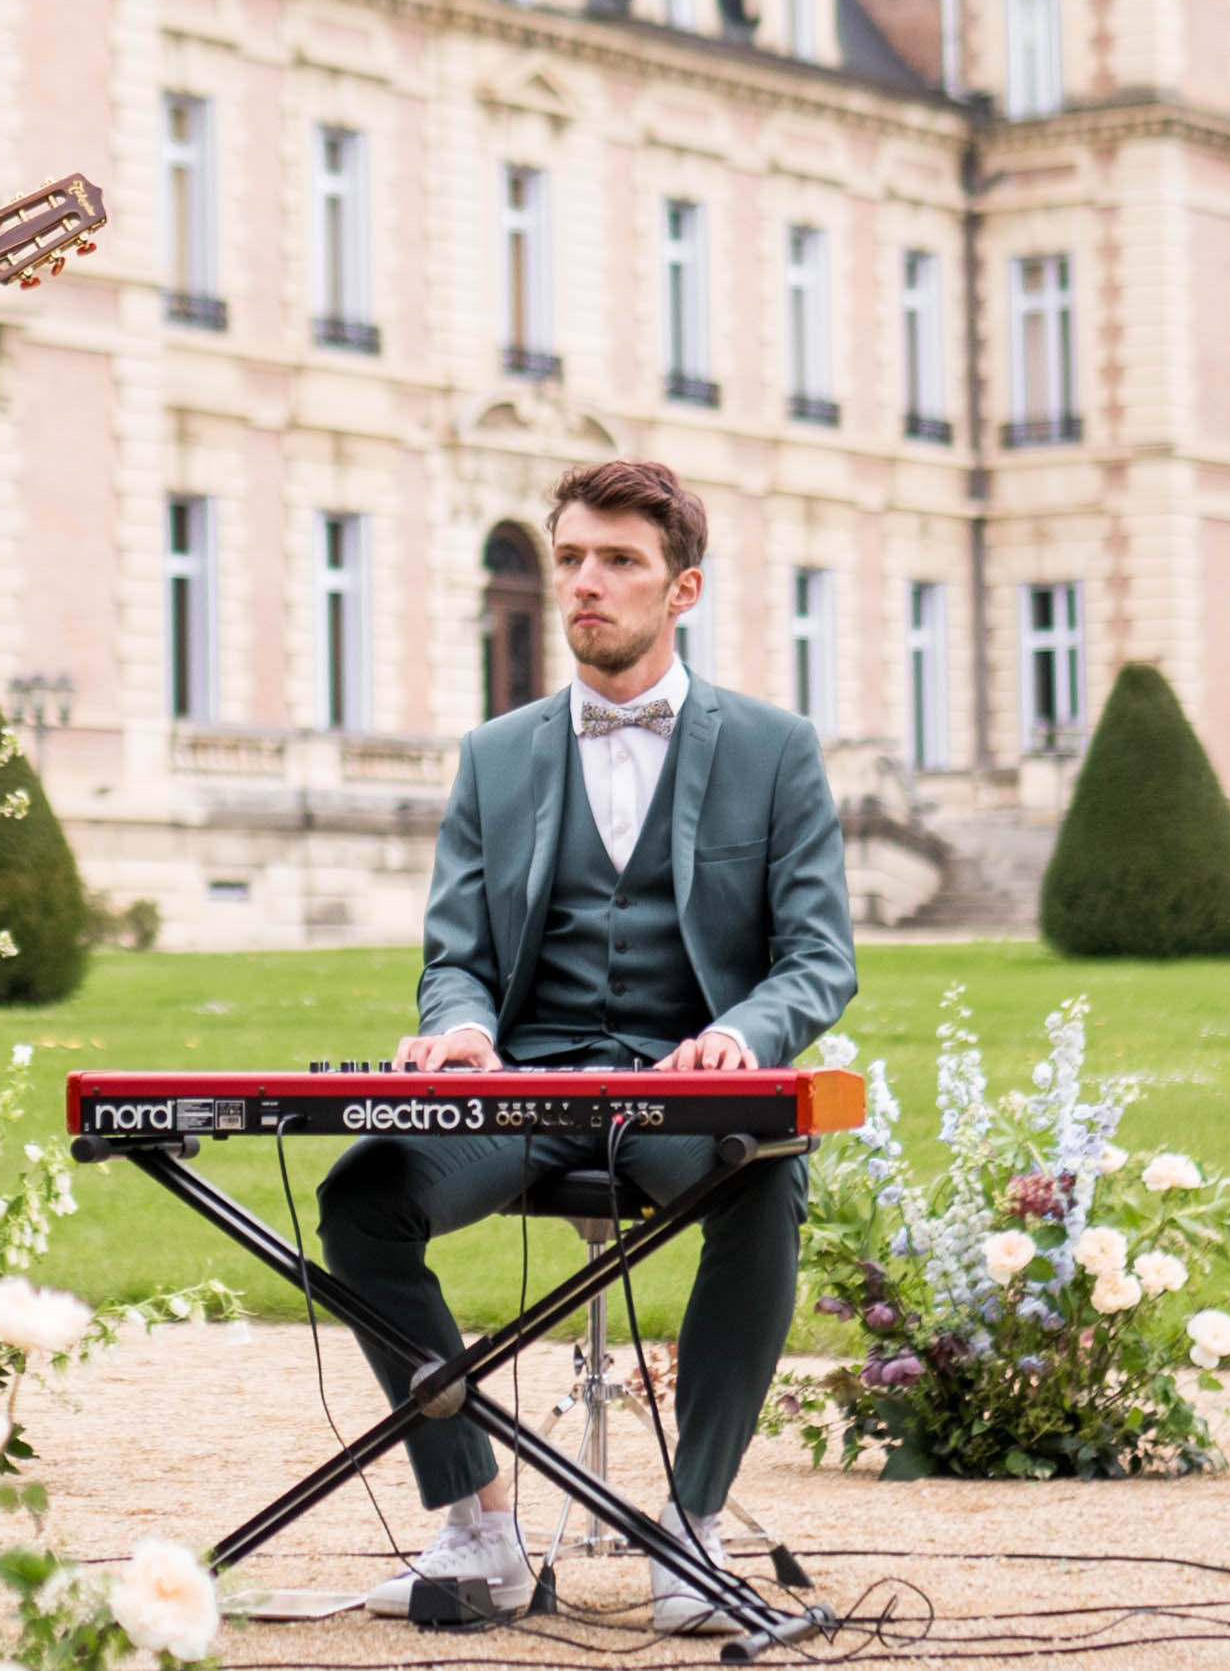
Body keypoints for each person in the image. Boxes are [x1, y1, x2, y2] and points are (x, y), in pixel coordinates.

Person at [320, 457, 855, 1635]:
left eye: (618, 561)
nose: (583, 584)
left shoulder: (773, 749)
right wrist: (457, 1027)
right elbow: (452, 949)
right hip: (525, 1085)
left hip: (678, 1084)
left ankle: (690, 1518)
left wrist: (735, 1036)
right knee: (358, 1200)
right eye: (569, 558)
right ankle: (475, 1514)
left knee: (767, 1180)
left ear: (682, 590)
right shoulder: (494, 753)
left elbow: (818, 959)